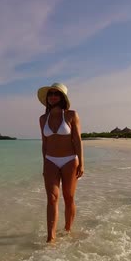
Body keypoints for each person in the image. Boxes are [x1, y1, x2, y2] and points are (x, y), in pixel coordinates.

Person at [37, 82, 84, 243]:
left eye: (56, 94)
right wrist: (44, 163)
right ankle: (51, 237)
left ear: (62, 97)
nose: (52, 97)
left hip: (70, 160)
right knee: (52, 198)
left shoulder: (71, 115)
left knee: (68, 197)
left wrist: (81, 163)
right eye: (50, 94)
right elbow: (44, 143)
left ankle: (68, 230)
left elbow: (77, 140)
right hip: (50, 160)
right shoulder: (43, 118)